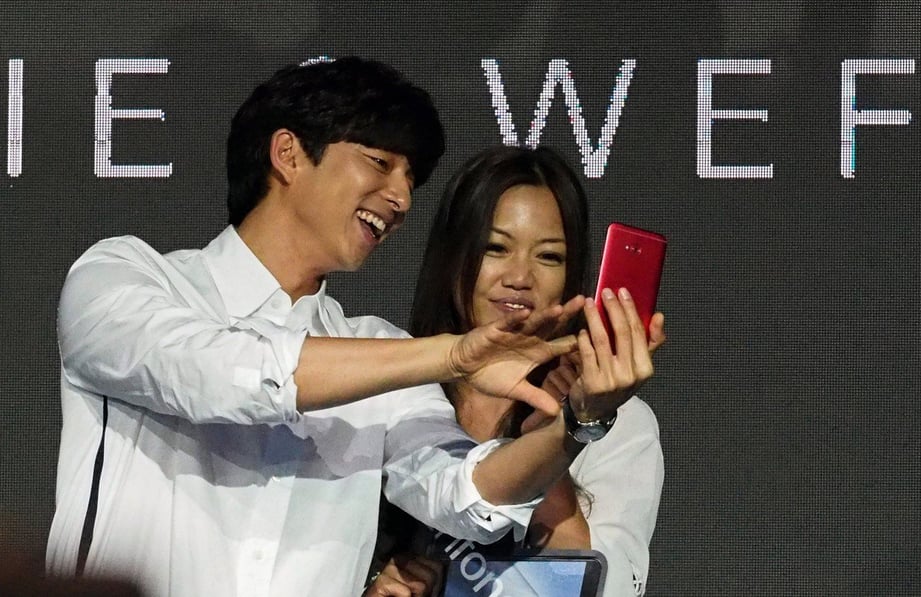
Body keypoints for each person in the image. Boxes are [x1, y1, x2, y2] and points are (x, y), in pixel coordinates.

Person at [45, 57, 654, 597]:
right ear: (288, 155)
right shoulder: (124, 277)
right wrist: (448, 356)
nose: (401, 197)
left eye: (411, 180)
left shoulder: (381, 350)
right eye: (380, 163)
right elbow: (218, 374)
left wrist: (578, 420)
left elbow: (467, 497)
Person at [365, 146, 665, 597]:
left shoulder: (615, 425)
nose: (520, 277)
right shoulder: (388, 389)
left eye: (548, 257)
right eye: (496, 248)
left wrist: (555, 440)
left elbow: (610, 588)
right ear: (452, 257)